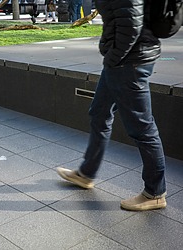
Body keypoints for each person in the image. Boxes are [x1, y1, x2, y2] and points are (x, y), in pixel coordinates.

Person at [57, 0, 167, 211]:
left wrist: (113, 58)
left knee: (143, 129)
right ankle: (86, 174)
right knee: (99, 113)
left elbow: (131, 23)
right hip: (122, 61)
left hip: (130, 62)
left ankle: (155, 192)